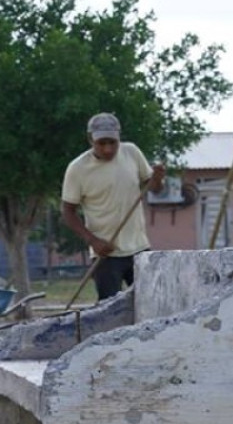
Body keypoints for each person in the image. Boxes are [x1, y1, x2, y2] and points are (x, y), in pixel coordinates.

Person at [60, 112, 166, 301]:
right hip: (106, 254)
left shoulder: (131, 152)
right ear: (90, 139)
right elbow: (68, 212)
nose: (108, 149)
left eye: (112, 143)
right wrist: (93, 241)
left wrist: (158, 178)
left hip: (139, 249)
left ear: (119, 139)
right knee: (110, 312)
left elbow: (155, 189)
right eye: (102, 143)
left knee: (152, 303)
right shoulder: (77, 168)